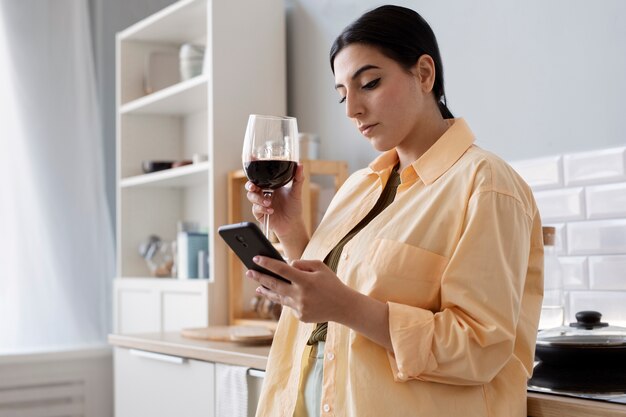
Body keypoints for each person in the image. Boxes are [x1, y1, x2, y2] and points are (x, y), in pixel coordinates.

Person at [246, 5, 543, 417]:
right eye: (342, 95)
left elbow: (480, 347)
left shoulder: (487, 184)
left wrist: (349, 308)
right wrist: (292, 231)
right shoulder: (358, 186)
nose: (352, 110)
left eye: (369, 83)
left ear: (424, 74)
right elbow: (325, 307)